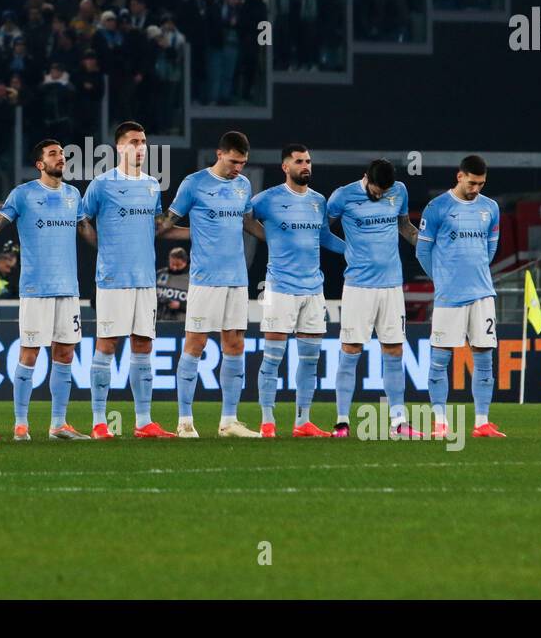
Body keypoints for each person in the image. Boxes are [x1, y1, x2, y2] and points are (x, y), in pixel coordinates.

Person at [78, 120, 181, 439]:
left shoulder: (152, 185)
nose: (140, 147)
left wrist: (198, 233)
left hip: (146, 280)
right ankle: (98, 422)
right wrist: (104, 249)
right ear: (119, 147)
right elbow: (82, 220)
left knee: (143, 345)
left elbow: (157, 226)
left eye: (144, 142)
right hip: (113, 280)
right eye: (134, 142)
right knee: (107, 344)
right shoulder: (101, 184)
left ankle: (144, 421)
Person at [166, 130, 266, 438]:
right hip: (205, 280)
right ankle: (184, 421)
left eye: (243, 163)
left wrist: (282, 239)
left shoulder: (243, 185)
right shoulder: (193, 183)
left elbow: (247, 222)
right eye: (234, 161)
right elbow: (169, 222)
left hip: (236, 279)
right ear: (219, 154)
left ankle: (228, 422)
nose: (238, 168)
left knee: (235, 344)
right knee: (195, 344)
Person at [0, 140, 89, 440]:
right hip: (35, 288)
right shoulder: (24, 194)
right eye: (54, 154)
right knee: (29, 353)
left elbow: (88, 234)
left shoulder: (74, 195)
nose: (62, 157)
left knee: (65, 353)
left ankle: (58, 424)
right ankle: (21, 424)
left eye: (62, 153)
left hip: (68, 288)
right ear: (40, 164)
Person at [249, 145, 348, 438]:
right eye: (299, 161)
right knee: (273, 357)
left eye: (308, 161)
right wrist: (267, 237)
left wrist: (353, 252)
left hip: (313, 290)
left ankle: (302, 421)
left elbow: (325, 238)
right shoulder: (267, 199)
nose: (306, 166)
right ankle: (267, 421)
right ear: (285, 167)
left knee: (309, 360)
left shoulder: (319, 201)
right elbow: (243, 218)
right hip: (280, 289)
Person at [327, 158, 423, 438]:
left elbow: (405, 226)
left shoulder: (399, 191)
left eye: (384, 191)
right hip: (358, 286)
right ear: (365, 176)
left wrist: (428, 246)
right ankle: (342, 422)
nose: (380, 194)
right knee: (351, 350)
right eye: (375, 189)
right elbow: (322, 229)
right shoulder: (342, 196)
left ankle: (398, 422)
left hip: (392, 285)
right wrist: (346, 250)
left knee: (394, 351)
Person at [415, 155, 505, 438]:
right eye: (472, 182)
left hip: (482, 295)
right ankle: (440, 422)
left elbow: (490, 250)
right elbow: (422, 251)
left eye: (481, 183)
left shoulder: (490, 208)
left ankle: (481, 422)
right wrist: (441, 279)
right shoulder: (437, 207)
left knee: (484, 358)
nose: (476, 188)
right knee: (440, 359)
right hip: (449, 297)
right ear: (459, 176)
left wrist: (475, 274)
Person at [155, 247, 190, 321]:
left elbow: (199, 304)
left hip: (181, 324)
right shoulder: (160, 274)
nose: (174, 267)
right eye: (172, 264)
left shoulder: (192, 279)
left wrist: (181, 305)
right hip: (159, 320)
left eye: (178, 265)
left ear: (185, 262)